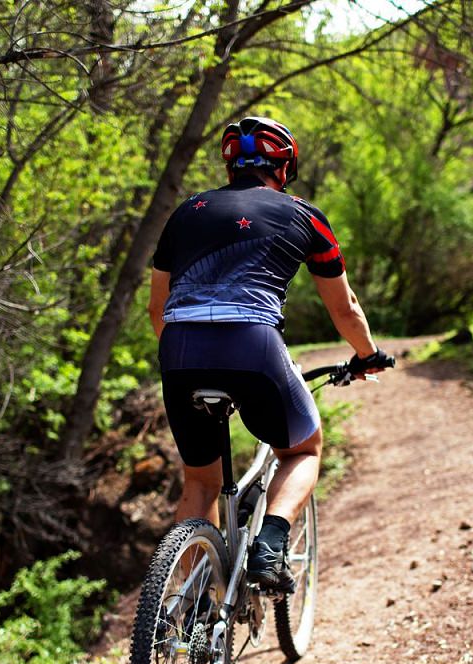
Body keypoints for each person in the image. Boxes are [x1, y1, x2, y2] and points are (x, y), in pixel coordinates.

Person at [147, 116, 394, 593]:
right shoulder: (303, 214)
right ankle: (268, 547)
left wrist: (188, 356)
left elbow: (158, 309)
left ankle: (191, 605)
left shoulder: (186, 212)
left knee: (200, 480)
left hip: (179, 351)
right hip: (251, 344)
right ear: (284, 167)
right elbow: (344, 308)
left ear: (230, 163)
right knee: (303, 449)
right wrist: (368, 354)